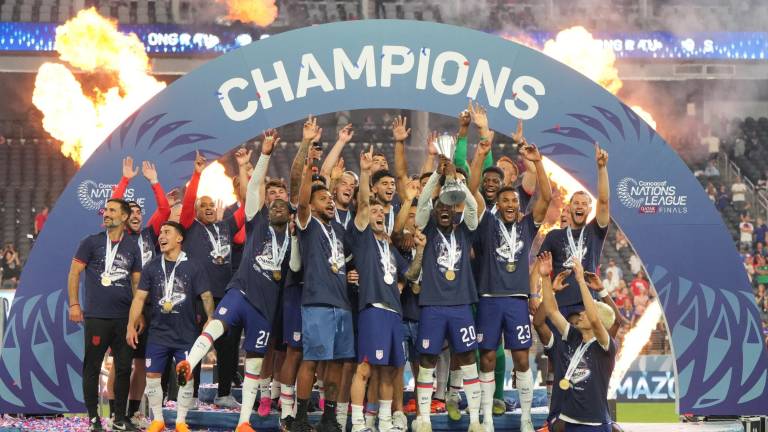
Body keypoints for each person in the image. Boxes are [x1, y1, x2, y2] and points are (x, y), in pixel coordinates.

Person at [470, 130, 552, 432]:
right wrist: (480, 155)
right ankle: (487, 418)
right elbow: (472, 189)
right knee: (487, 358)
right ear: (498, 203)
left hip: (517, 300)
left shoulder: (527, 226)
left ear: (518, 205)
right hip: (489, 299)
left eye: (513, 201)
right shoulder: (486, 222)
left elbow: (547, 197)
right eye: (504, 200)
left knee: (521, 359)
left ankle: (527, 418)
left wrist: (538, 163)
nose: (509, 204)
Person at [348, 147, 426, 432]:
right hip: (373, 310)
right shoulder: (362, 239)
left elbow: (412, 275)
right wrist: (364, 171)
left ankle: (383, 421)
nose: (379, 214)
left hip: (394, 313)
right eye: (374, 211)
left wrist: (420, 250)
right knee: (365, 368)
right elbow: (363, 204)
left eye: (382, 212)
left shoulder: (389, 248)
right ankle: (358, 423)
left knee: (390, 369)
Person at [412, 155, 483, 432]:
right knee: (427, 360)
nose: (444, 209)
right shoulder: (427, 228)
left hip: (461, 304)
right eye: (439, 205)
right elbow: (422, 204)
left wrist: (456, 182)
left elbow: (474, 207)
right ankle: (424, 418)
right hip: (432, 305)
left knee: (468, 359)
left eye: (448, 205)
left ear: (454, 209)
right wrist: (437, 177)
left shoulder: (465, 230)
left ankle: (475, 420)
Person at [292, 118, 355, 432]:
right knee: (312, 360)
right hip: (317, 302)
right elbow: (303, 199)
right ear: (313, 206)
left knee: (338, 363)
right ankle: (301, 418)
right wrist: (309, 168)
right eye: (324, 199)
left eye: (331, 198)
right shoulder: (308, 223)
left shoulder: (339, 229)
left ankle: (329, 417)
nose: (330, 201)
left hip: (342, 303)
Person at [126, 221, 214, 432]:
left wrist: (211, 318)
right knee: (152, 377)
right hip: (158, 333)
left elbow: (206, 295)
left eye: (167, 232)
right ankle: (158, 420)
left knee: (186, 376)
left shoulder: (194, 265)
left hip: (186, 333)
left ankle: (181, 421)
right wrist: (130, 325)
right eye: (160, 233)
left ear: (179, 238)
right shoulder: (152, 266)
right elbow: (139, 298)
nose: (161, 236)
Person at [178, 149, 247, 408]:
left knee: (227, 347)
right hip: (197, 297)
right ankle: (192, 395)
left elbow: (247, 207)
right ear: (196, 211)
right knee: (196, 345)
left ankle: (224, 393)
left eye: (210, 205)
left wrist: (245, 170)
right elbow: (187, 204)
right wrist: (197, 174)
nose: (208, 208)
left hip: (225, 296)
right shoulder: (190, 227)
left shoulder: (225, 226)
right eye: (203, 206)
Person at [68, 198, 142, 431]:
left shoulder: (133, 246)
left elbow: (137, 283)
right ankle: (93, 418)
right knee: (92, 367)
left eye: (112, 210)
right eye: (106, 210)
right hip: (97, 317)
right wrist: (74, 304)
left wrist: (137, 316)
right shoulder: (90, 242)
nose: (106, 213)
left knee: (124, 368)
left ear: (124, 217)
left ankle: (119, 418)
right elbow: (74, 273)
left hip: (124, 319)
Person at [110, 157, 171, 425]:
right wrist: (125, 180)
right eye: (130, 212)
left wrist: (154, 182)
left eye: (139, 212)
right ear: (123, 217)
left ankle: (134, 412)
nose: (135, 215)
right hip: (124, 305)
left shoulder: (149, 235)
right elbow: (113, 206)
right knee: (119, 363)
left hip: (149, 306)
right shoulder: (118, 237)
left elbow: (164, 209)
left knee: (141, 363)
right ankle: (115, 413)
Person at [537, 253, 617, 432]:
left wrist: (581, 280)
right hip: (569, 421)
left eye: (585, 312)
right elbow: (552, 311)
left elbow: (594, 320)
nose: (580, 314)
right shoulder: (573, 337)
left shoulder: (605, 346)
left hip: (595, 424)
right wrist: (545, 278)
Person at [539, 143, 610, 316]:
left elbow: (603, 201)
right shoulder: (553, 236)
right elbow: (542, 271)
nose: (580, 206)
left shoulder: (595, 232)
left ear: (589, 209)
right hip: (559, 305)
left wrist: (601, 168)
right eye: (576, 203)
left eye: (584, 204)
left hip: (588, 305)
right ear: (569, 207)